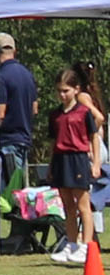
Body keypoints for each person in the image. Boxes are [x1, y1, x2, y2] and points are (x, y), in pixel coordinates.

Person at [49, 69, 102, 264]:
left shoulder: (83, 112)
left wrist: (95, 163)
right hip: (61, 159)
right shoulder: (55, 115)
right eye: (59, 91)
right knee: (67, 205)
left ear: (76, 89)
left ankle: (86, 245)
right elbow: (53, 142)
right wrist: (51, 165)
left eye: (66, 91)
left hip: (78, 159)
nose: (62, 95)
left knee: (83, 205)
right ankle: (71, 244)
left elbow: (94, 137)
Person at [0, 31, 38, 185]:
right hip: (24, 137)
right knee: (18, 185)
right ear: (15, 51)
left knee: (9, 190)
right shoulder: (28, 75)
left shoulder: (1, 76)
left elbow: (0, 113)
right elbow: (34, 108)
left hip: (8, 140)